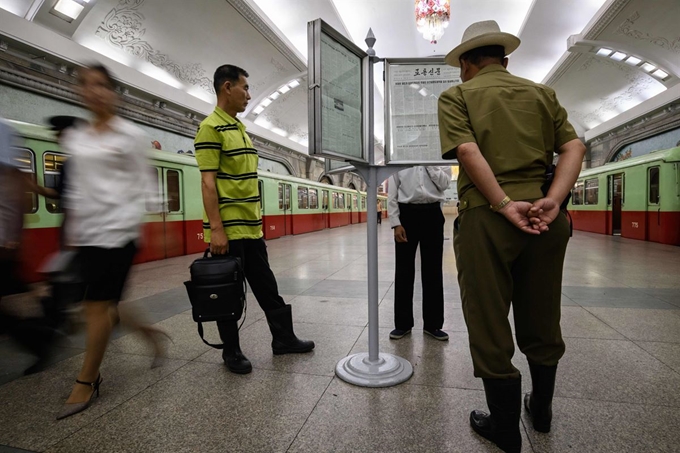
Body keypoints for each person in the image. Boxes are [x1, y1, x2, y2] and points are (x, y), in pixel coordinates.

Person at [438, 21, 586, 453]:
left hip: (488, 218)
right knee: (542, 311)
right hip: (545, 217)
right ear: (505, 60)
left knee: (487, 317)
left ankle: (503, 428)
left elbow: (467, 151)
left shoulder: (457, 96)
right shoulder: (543, 94)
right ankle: (540, 410)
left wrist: (503, 204)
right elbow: (573, 148)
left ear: (467, 63)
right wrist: (554, 200)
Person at [57, 64, 169, 420]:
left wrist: (155, 221)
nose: (94, 91)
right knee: (108, 307)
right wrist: (72, 231)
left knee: (96, 306)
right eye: (86, 85)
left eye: (102, 85)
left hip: (120, 232)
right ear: (79, 92)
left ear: (113, 92)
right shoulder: (77, 137)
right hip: (88, 234)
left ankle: (88, 379)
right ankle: (152, 336)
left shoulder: (129, 135)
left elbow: (146, 181)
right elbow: (75, 187)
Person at [194, 64, 314, 375]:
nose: (249, 95)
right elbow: (208, 183)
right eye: (245, 88)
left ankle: (283, 339)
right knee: (229, 292)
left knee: (267, 286)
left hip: (251, 228)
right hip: (229, 230)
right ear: (227, 88)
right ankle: (231, 352)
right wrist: (216, 230)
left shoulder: (240, 129)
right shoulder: (210, 128)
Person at [387, 166, 451, 341]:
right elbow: (392, 193)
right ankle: (402, 324)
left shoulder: (438, 156)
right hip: (406, 215)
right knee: (403, 271)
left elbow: (444, 183)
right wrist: (395, 223)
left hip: (433, 213)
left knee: (433, 271)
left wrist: (429, 165)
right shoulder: (400, 157)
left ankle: (433, 325)